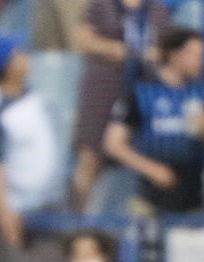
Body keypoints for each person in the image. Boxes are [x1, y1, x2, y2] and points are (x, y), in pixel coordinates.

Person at [103, 26, 204, 215]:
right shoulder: (141, 93)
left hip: (193, 202)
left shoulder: (202, 94)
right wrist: (152, 169)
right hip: (149, 202)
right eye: (196, 55)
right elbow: (114, 144)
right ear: (175, 55)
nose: (202, 62)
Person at [71, 0, 169, 210]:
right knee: (90, 156)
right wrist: (114, 49)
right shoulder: (101, 5)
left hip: (143, 89)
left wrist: (154, 53)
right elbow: (81, 38)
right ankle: (81, 224)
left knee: (137, 153)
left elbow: (168, 47)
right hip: (103, 88)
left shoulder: (157, 10)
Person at [0, 33, 60, 248]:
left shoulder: (30, 97)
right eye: (19, 54)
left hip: (39, 210)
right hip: (5, 217)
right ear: (6, 64)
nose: (26, 58)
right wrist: (4, 214)